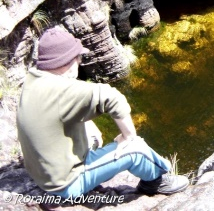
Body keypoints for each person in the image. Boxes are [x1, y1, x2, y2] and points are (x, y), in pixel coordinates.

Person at [16, 26, 189, 199]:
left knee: (93, 136)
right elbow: (112, 97)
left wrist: (87, 123)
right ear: (69, 61)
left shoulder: (33, 82)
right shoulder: (62, 91)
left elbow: (61, 112)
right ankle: (156, 182)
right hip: (67, 184)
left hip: (45, 173)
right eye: (79, 58)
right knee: (136, 149)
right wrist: (128, 137)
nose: (80, 62)